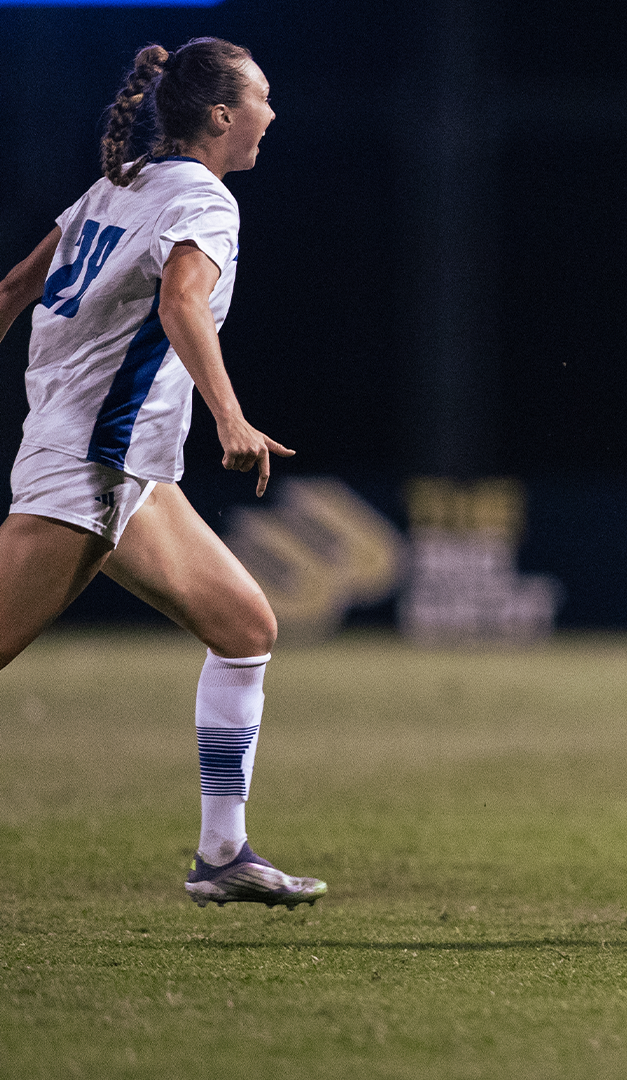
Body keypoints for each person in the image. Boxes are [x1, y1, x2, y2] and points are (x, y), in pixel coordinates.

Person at [0, 39, 324, 908]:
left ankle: (223, 853)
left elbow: (11, 290)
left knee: (246, 627)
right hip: (91, 466)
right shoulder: (207, 203)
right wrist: (230, 416)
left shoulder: (125, 181)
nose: (271, 114)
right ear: (223, 116)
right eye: (262, 98)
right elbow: (182, 299)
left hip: (125, 468)